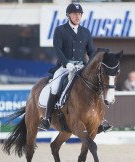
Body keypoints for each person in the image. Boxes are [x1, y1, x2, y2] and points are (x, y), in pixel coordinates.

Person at [39, 3, 112, 133]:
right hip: (65, 66)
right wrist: (66, 63)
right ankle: (47, 118)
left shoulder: (85, 32)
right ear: (68, 15)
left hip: (81, 66)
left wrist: (95, 63)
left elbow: (91, 51)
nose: (77, 16)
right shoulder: (60, 30)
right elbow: (58, 49)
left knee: (97, 86)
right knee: (55, 85)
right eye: (74, 14)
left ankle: (101, 120)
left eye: (79, 14)